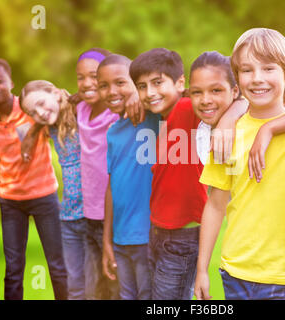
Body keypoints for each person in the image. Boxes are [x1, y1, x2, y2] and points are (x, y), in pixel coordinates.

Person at [196, 28, 285, 300]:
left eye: (269, 68)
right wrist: (201, 269)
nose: (257, 79)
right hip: (236, 274)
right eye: (247, 70)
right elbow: (215, 204)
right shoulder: (226, 134)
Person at [0, 58, 67, 300]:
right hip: (10, 202)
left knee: (58, 266)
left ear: (11, 83)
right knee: (13, 271)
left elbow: (58, 106)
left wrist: (36, 128)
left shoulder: (30, 106)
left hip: (43, 197)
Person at [129, 48, 206, 300]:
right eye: (141, 86)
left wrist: (233, 111)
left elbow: (229, 92)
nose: (149, 92)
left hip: (183, 233)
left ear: (181, 83)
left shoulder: (187, 108)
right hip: (159, 229)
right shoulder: (163, 120)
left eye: (158, 82)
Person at [98, 54, 160, 300]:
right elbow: (112, 187)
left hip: (149, 237)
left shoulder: (155, 118)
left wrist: (141, 95)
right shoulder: (112, 132)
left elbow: (183, 93)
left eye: (121, 82)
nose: (112, 91)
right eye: (104, 85)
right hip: (121, 240)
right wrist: (107, 242)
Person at [19, 80, 86, 300]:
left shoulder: (81, 111)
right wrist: (31, 134)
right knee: (74, 285)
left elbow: (95, 98)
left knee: (101, 284)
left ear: (57, 93)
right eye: (32, 112)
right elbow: (43, 116)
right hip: (69, 215)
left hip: (93, 213)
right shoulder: (51, 124)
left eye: (40, 103)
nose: (39, 113)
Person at [75, 48, 120, 299]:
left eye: (94, 77)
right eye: (80, 77)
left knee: (116, 287)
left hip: (114, 217)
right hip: (89, 214)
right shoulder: (80, 109)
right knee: (93, 290)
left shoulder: (118, 113)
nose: (86, 83)